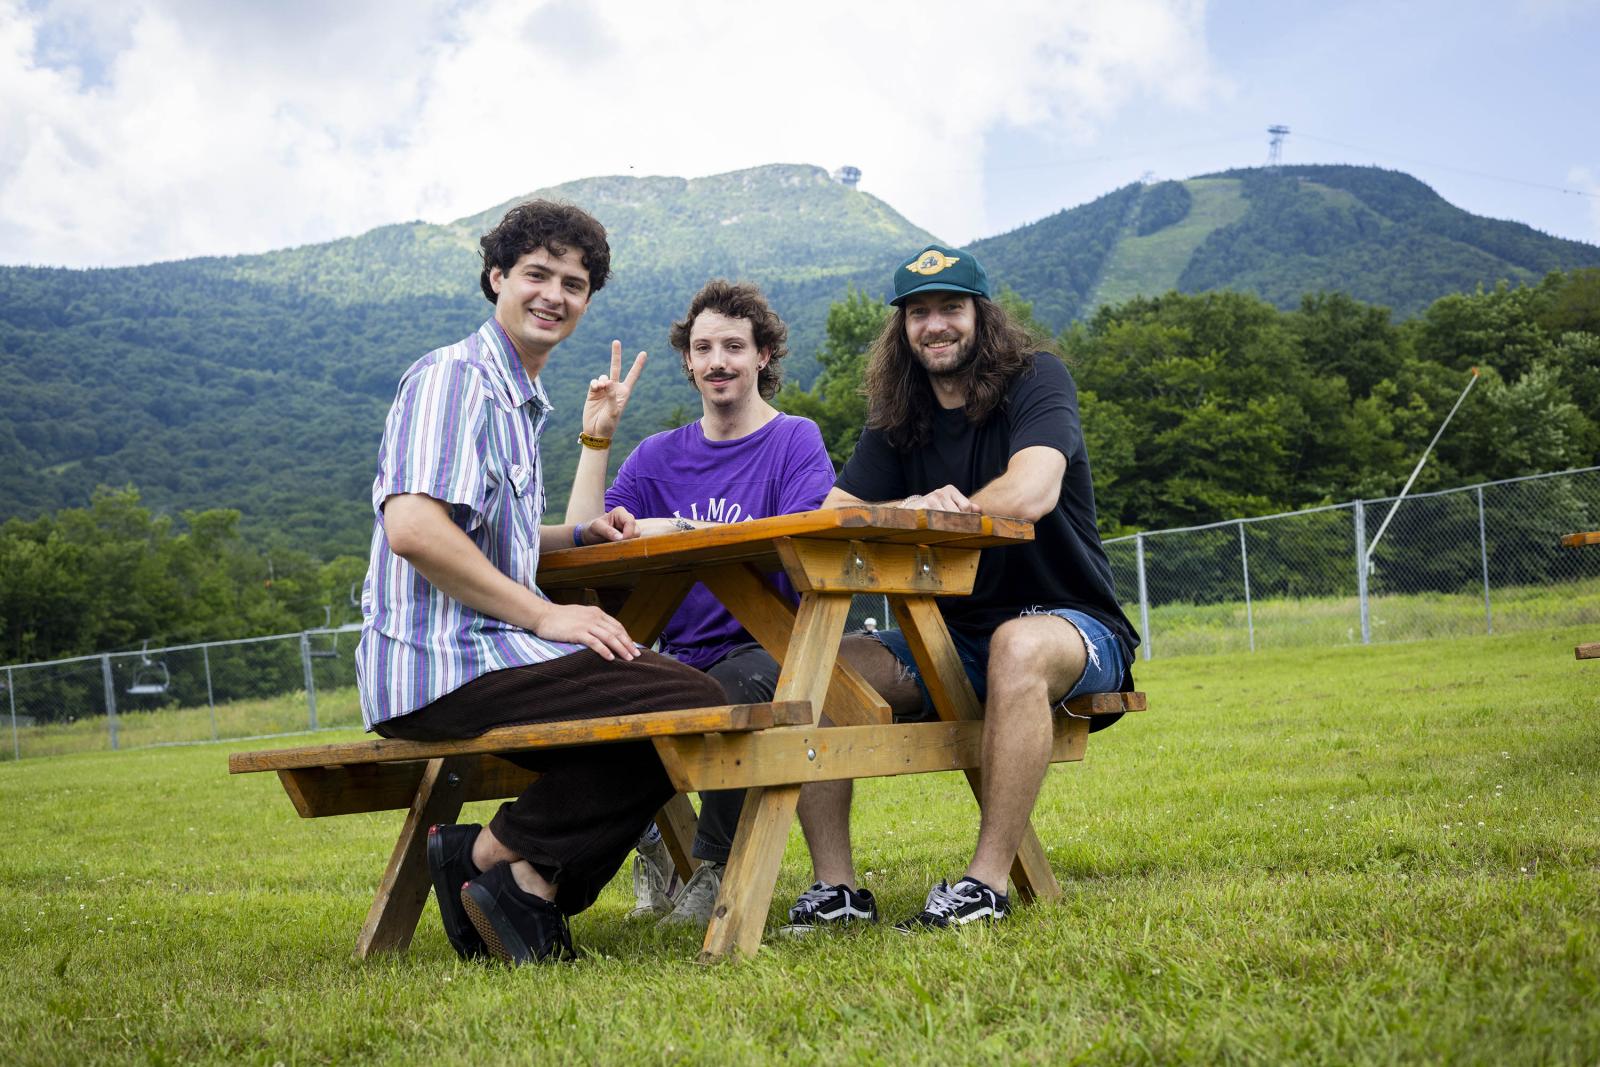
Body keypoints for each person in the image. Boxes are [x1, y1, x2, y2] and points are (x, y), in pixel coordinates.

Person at [354, 200, 724, 966]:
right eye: (537, 274)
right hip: (442, 660)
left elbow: (489, 536)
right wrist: (548, 617)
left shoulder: (518, 398)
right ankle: (506, 866)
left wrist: (576, 535)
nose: (555, 294)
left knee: (673, 703)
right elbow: (416, 529)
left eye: (575, 283)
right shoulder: (455, 378)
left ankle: (501, 868)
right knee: (693, 702)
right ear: (497, 278)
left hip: (485, 652)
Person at [784, 244, 1139, 933]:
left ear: (981, 315)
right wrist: (910, 504)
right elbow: (831, 516)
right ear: (903, 328)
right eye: (919, 312)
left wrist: (951, 510)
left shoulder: (1038, 379)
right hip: (948, 644)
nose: (935, 324)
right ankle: (837, 889)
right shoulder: (898, 415)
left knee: (1017, 644)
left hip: (1073, 626)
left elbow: (1032, 490)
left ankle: (985, 884)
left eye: (951, 307)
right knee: (820, 662)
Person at [566, 279, 835, 926]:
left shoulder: (795, 439)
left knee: (731, 685)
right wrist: (597, 439)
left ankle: (712, 867)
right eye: (703, 346)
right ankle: (652, 843)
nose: (718, 360)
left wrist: (678, 531)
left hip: (769, 647)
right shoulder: (659, 455)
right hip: (673, 648)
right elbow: (583, 537)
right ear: (687, 360)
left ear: (763, 355)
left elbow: (800, 540)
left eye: (734, 346)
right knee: (579, 685)